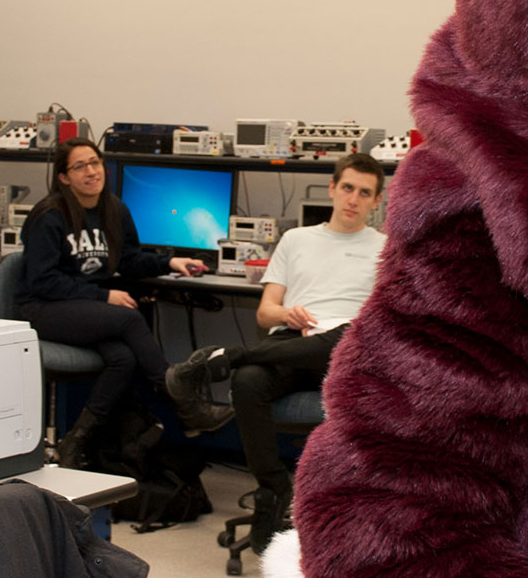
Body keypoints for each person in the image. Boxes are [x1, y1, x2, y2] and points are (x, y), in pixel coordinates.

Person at [163, 152, 385, 549]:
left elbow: (386, 323)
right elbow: (266, 315)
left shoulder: (386, 249)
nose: (353, 199)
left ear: (376, 201)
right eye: (348, 188)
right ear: (333, 189)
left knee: (346, 335)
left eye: (364, 193)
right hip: (290, 342)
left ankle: (226, 358)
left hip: (345, 351)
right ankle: (273, 488)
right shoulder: (296, 239)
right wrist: (289, 313)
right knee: (248, 383)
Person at [17, 138, 207, 468]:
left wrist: (170, 263)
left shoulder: (113, 209)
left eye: (95, 163)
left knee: (123, 358)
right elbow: (43, 281)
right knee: (131, 319)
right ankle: (184, 403)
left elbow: (129, 259)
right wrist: (104, 296)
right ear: (63, 177)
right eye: (80, 166)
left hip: (86, 310)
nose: (92, 172)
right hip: (43, 308)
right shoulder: (49, 216)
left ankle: (74, 443)